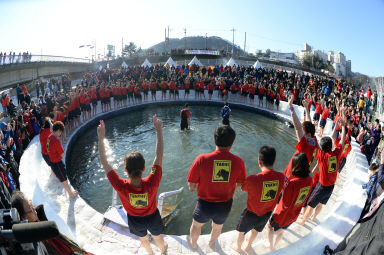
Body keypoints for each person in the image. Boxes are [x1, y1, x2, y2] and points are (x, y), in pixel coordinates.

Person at [97, 115, 167, 255]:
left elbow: (104, 161)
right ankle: (163, 251)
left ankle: (151, 254)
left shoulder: (120, 185)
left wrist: (101, 138)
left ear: (125, 170)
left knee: (143, 240)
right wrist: (158, 130)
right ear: (143, 168)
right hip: (153, 217)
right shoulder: (152, 181)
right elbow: (159, 155)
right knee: (158, 237)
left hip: (135, 220)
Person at [187, 125, 246, 249]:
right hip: (225, 204)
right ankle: (211, 243)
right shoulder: (239, 161)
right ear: (232, 143)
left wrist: (196, 187)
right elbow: (240, 184)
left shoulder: (201, 159)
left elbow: (191, 185)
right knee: (218, 227)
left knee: (196, 225)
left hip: (204, 204)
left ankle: (193, 245)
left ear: (215, 139)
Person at [231, 146, 286, 253]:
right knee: (255, 230)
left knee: (241, 232)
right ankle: (247, 245)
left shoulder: (253, 179)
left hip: (250, 213)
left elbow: (243, 189)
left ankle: (238, 247)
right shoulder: (281, 177)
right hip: (267, 213)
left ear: (259, 161)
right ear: (274, 161)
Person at [299, 109, 347, 225]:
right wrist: (344, 127)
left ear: (322, 147)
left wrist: (313, 126)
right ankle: (313, 217)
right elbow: (342, 140)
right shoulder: (336, 153)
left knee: (310, 204)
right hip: (331, 187)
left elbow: (313, 139)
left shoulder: (322, 155)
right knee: (321, 204)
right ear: (331, 146)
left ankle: (303, 221)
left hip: (322, 186)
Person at [11, 190, 93, 255]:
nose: (34, 209)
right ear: (23, 217)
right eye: (30, 209)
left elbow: (62, 239)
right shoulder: (33, 240)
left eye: (31, 204)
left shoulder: (40, 216)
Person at [266, 153, 312, 251]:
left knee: (269, 226)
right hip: (294, 214)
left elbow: (286, 204)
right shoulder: (310, 180)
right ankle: (274, 246)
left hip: (282, 215)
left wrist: (283, 188)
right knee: (282, 231)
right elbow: (304, 198)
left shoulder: (292, 184)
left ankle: (271, 247)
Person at [285, 96, 317, 180]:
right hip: (301, 173)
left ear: (308, 134)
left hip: (291, 175)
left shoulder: (304, 144)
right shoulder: (314, 141)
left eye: (303, 132)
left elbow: (297, 127)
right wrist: (306, 108)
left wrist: (291, 107)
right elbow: (309, 124)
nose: (301, 133)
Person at [47, 121, 78, 198]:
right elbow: (62, 154)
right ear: (58, 131)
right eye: (61, 132)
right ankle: (71, 194)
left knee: (60, 176)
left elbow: (48, 149)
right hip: (57, 163)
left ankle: (58, 179)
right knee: (64, 179)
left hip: (51, 161)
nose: (60, 134)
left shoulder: (49, 137)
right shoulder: (56, 141)